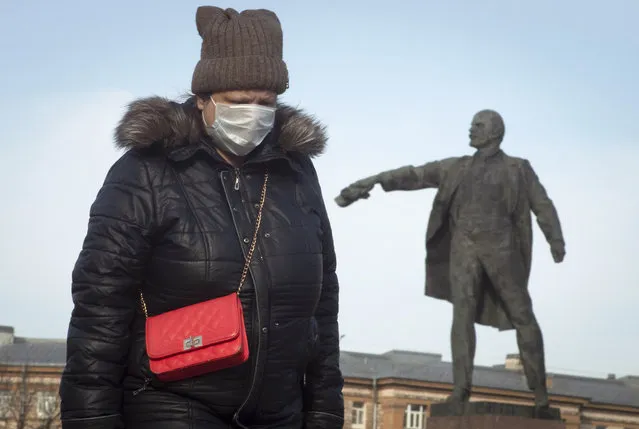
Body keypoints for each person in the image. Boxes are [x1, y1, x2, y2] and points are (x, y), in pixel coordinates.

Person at [59, 6, 344, 429]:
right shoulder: (147, 171)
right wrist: (91, 418)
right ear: (203, 100)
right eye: (237, 101)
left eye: (264, 102)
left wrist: (323, 411)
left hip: (281, 414)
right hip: (171, 404)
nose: (253, 113)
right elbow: (100, 304)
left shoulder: (298, 172)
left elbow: (323, 305)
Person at [335, 109, 565, 413]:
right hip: (464, 248)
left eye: (478, 126)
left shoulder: (518, 168)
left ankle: (540, 395)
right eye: (472, 126)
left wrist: (555, 239)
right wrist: (375, 180)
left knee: (523, 316)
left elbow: (542, 204)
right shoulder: (456, 167)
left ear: (495, 132)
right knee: (461, 317)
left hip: (503, 249)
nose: (471, 130)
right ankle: (460, 391)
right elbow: (415, 174)